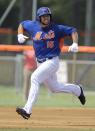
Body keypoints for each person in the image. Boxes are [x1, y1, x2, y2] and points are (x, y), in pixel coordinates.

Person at [16, 7, 86, 119]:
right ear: (39, 18)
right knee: (55, 88)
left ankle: (27, 110)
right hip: (40, 63)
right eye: (43, 16)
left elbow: (73, 31)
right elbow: (22, 24)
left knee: (34, 78)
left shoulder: (56, 28)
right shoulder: (33, 26)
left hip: (52, 61)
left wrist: (75, 43)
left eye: (48, 16)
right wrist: (19, 34)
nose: (46, 18)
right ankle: (78, 90)